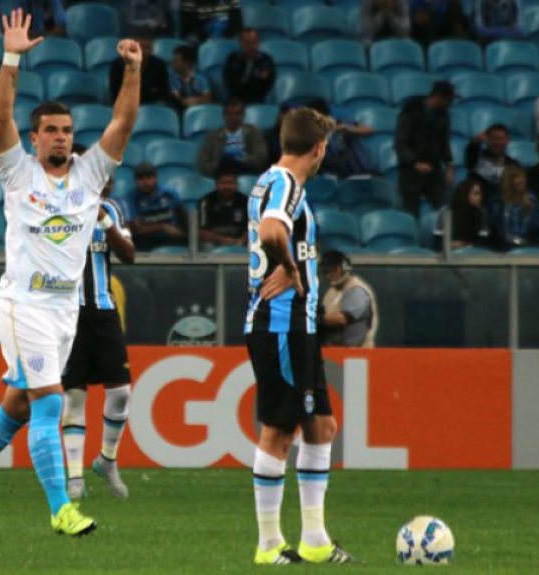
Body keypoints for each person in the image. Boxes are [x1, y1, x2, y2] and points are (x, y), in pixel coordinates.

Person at [0, 8, 140, 538]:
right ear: (36, 138)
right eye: (51, 131)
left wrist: (133, 69)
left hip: (66, 310)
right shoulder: (18, 172)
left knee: (17, 408)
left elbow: (123, 123)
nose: (62, 138)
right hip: (23, 306)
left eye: (67, 131)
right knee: (51, 403)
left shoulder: (91, 176)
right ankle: (61, 508)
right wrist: (11, 57)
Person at [243, 107, 355, 565]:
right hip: (282, 323)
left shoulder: (270, 181)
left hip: (296, 326)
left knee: (322, 426)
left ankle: (314, 540)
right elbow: (272, 230)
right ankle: (268, 545)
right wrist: (291, 270)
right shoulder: (286, 185)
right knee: (278, 433)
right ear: (319, 147)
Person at [61, 155, 137, 500]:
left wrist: (106, 221)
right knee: (74, 394)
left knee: (120, 392)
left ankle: (107, 459)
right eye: (101, 178)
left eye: (109, 179)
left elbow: (129, 255)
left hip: (105, 312)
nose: (106, 184)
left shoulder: (111, 211)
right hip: (68, 314)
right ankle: (75, 477)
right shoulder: (58, 209)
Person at [395, 80, 455, 218]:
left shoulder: (443, 114)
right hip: (410, 170)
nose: (450, 103)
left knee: (444, 209)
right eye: (449, 99)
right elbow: (400, 142)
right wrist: (414, 162)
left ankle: (443, 238)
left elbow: (444, 141)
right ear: (439, 97)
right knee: (410, 212)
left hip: (434, 167)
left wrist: (450, 164)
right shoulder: (411, 109)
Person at [319, 251, 378, 348]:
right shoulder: (331, 292)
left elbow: (343, 318)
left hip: (358, 353)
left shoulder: (357, 290)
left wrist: (314, 317)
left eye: (327, 272)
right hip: (336, 352)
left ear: (338, 269)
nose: (327, 276)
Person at [306, 99, 375, 179]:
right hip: (333, 177)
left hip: (359, 173)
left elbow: (370, 130)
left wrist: (350, 130)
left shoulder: (340, 125)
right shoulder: (310, 136)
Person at [198, 99, 269, 177]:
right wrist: (219, 166)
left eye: (237, 114)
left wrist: (239, 160)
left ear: (243, 115)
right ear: (224, 115)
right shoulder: (212, 136)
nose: (233, 117)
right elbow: (203, 164)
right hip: (220, 174)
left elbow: (261, 158)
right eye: (229, 114)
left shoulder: (254, 132)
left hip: (247, 170)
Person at [128, 162, 189, 251]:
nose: (145, 182)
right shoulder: (131, 198)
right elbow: (137, 229)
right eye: (141, 179)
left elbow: (184, 219)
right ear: (135, 181)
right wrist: (163, 227)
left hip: (172, 239)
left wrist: (183, 233)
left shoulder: (170, 193)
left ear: (156, 178)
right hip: (145, 242)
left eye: (149, 178)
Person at [464, 123, 520, 208]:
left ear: (507, 140)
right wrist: (475, 142)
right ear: (487, 139)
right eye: (493, 138)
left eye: (500, 139)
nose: (496, 142)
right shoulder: (477, 159)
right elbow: (470, 156)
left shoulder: (513, 165)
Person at [491, 166, 539, 250]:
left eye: (523, 177)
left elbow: (537, 230)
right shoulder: (498, 203)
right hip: (503, 250)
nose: (522, 180)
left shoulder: (532, 202)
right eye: (517, 178)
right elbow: (494, 232)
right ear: (508, 181)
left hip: (527, 249)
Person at [198, 163, 249, 248]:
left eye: (230, 183)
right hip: (214, 243)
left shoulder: (245, 201)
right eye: (223, 183)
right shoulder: (206, 202)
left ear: (236, 185)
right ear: (216, 185)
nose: (226, 187)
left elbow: (252, 227)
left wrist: (242, 241)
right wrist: (224, 240)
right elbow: (201, 231)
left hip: (240, 243)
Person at [109, 36, 169, 106]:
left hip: (152, 105)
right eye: (139, 47)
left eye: (146, 48)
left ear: (151, 49)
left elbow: (163, 92)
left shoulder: (159, 65)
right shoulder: (118, 65)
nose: (142, 51)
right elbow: (116, 92)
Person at [222, 29, 275, 106]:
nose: (250, 46)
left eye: (253, 43)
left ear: (258, 42)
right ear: (240, 43)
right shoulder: (232, 60)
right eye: (247, 43)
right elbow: (229, 82)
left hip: (258, 99)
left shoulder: (266, 60)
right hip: (236, 99)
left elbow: (268, 82)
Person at [436, 179, 491, 250]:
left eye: (480, 194)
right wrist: (455, 244)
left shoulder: (482, 213)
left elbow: (483, 241)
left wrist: (466, 244)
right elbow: (437, 243)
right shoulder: (446, 212)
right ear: (465, 194)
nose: (479, 198)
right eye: (475, 194)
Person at [170, 45, 212, 110]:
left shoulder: (201, 78)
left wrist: (195, 100)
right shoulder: (171, 78)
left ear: (187, 63)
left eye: (176, 61)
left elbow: (208, 98)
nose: (173, 63)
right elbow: (175, 97)